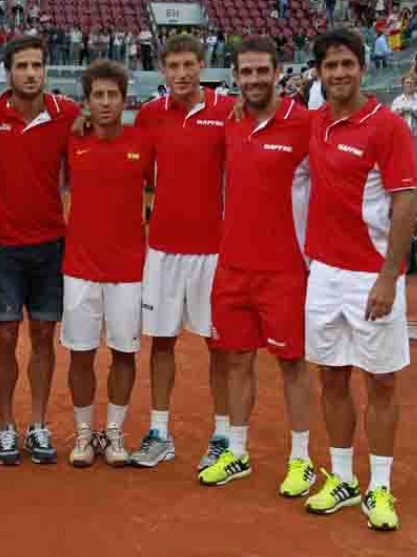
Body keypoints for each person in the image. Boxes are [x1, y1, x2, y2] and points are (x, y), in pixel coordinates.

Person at [301, 29, 417, 532]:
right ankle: (345, 478)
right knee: (331, 376)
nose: (339, 73)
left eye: (347, 63)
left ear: (362, 67)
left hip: (372, 275)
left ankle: (381, 487)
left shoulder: (388, 127)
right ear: (319, 73)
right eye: (330, 66)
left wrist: (389, 278)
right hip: (324, 272)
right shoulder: (315, 124)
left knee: (382, 380)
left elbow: (405, 203)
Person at [197, 37, 314, 498]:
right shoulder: (230, 123)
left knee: (292, 364)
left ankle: (301, 459)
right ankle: (238, 451)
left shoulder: (304, 123)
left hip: (285, 268)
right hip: (233, 267)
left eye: (262, 70)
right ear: (235, 77)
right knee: (236, 360)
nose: (254, 79)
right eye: (245, 72)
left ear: (277, 71)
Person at [129, 34, 235, 472]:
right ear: (163, 70)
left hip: (213, 250)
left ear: (202, 65)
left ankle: (224, 435)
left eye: (189, 65)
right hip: (164, 250)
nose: (181, 74)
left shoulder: (227, 112)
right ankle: (159, 432)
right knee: (162, 343)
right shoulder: (150, 116)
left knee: (220, 347)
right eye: (173, 66)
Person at [0, 35, 80, 465]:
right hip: (1, 246)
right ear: (8, 71)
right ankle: (5, 426)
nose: (31, 73)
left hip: (51, 244)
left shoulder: (66, 114)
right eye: (22, 65)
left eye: (37, 65)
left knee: (42, 337)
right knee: (3, 338)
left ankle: (38, 425)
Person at [63, 59, 152, 468]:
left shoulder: (143, 142)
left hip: (129, 270)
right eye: (96, 95)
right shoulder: (72, 140)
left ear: (124, 98)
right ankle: (84, 433)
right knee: (80, 354)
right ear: (86, 101)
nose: (104, 102)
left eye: (111, 94)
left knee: (124, 353)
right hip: (79, 268)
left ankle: (113, 432)